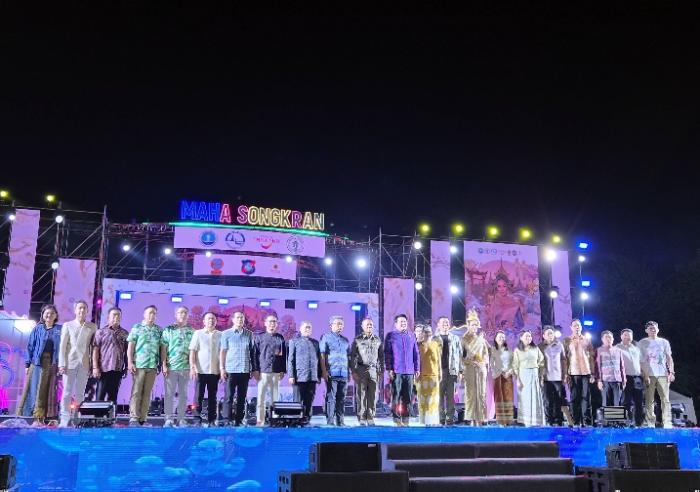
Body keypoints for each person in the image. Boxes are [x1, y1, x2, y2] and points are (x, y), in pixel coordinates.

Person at [17, 304, 62, 424]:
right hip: (36, 362)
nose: (49, 315)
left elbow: (63, 348)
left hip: (51, 363)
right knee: (32, 388)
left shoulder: (60, 329)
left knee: (46, 390)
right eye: (47, 313)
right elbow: (30, 346)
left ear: (56, 316)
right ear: (43, 315)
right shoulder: (38, 328)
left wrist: (60, 364)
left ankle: (42, 416)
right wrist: (27, 364)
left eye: (52, 313)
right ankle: (28, 416)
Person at [58, 300, 97, 427]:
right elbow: (63, 346)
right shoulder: (68, 325)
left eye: (84, 308)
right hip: (70, 363)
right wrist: (61, 364)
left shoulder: (92, 326)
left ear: (87, 311)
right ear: (75, 310)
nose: (82, 310)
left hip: (84, 363)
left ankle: (77, 419)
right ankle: (64, 419)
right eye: (80, 308)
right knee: (66, 392)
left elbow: (93, 347)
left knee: (80, 393)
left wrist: (92, 365)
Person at [127, 305, 162, 426]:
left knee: (147, 393)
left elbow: (161, 348)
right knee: (136, 391)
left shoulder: (158, 330)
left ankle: (143, 419)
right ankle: (134, 418)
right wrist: (130, 362)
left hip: (152, 366)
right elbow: (130, 347)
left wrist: (160, 364)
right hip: (139, 364)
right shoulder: (137, 327)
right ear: (144, 314)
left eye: (154, 313)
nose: (152, 315)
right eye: (150, 313)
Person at [161, 306, 195, 427]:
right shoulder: (168, 329)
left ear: (188, 315)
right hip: (171, 367)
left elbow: (194, 351)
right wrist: (164, 365)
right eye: (180, 312)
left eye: (185, 312)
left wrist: (192, 367)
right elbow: (163, 348)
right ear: (175, 315)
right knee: (169, 394)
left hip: (186, 367)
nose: (183, 314)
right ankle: (168, 419)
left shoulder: (192, 331)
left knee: (183, 395)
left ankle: (181, 419)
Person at [220, 311, 254, 426]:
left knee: (242, 397)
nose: (240, 320)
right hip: (230, 370)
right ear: (233, 320)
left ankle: (239, 420)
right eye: (238, 317)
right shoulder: (226, 334)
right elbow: (223, 352)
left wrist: (252, 368)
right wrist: (222, 368)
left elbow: (252, 352)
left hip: (244, 370)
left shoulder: (249, 334)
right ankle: (226, 420)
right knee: (228, 396)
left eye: (242, 318)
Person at [384, 314, 420, 426]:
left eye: (405, 321)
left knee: (408, 397)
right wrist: (389, 368)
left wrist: (417, 368)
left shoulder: (411, 336)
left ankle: (406, 419)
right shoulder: (391, 336)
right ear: (396, 324)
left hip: (409, 371)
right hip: (397, 371)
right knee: (396, 396)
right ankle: (396, 419)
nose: (403, 323)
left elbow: (416, 353)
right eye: (401, 322)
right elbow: (388, 353)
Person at [638, 321, 675, 428]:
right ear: (646, 330)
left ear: (658, 329)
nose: (653, 329)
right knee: (649, 399)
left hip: (663, 374)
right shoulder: (642, 343)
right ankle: (650, 422)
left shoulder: (664, 342)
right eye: (650, 328)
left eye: (654, 328)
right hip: (649, 374)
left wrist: (671, 372)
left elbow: (669, 358)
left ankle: (667, 422)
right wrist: (645, 375)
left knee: (665, 399)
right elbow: (641, 361)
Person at [251, 314, 286, 426]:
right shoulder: (259, 337)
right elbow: (254, 355)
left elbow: (283, 356)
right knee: (261, 398)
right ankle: (260, 420)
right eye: (270, 321)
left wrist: (283, 370)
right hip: (263, 372)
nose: (272, 324)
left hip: (276, 372)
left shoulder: (280, 338)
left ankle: (274, 420)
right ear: (265, 323)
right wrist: (255, 370)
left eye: (274, 321)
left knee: (275, 399)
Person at [188, 312, 222, 427]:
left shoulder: (220, 335)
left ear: (216, 321)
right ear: (204, 321)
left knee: (213, 397)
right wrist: (192, 367)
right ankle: (197, 420)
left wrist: (222, 369)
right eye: (208, 319)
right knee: (198, 397)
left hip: (214, 371)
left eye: (213, 319)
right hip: (200, 371)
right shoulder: (198, 333)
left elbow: (222, 353)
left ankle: (212, 420)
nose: (211, 321)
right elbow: (192, 351)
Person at [92, 307, 129, 407]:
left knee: (113, 397)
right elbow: (95, 350)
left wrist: (126, 367)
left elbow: (127, 352)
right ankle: (98, 416)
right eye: (114, 315)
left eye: (118, 315)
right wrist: (95, 367)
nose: (116, 317)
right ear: (108, 317)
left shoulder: (125, 333)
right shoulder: (101, 332)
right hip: (103, 369)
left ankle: (111, 416)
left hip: (117, 369)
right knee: (100, 396)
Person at [350, 318, 383, 426]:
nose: (369, 326)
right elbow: (352, 357)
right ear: (362, 326)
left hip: (373, 370)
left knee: (373, 395)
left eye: (371, 325)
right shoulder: (357, 340)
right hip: (361, 370)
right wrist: (353, 371)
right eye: (367, 325)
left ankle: (370, 417)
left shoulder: (377, 339)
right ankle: (362, 417)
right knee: (361, 394)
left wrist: (381, 371)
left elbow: (381, 357)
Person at [287, 321, 321, 425]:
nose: (308, 329)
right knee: (298, 400)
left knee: (309, 399)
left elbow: (319, 360)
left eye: (309, 327)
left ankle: (307, 419)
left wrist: (318, 375)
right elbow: (290, 360)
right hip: (299, 377)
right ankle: (296, 420)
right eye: (306, 327)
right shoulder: (294, 341)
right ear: (300, 329)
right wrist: (291, 375)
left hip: (312, 377)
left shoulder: (315, 343)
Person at [319, 315, 351, 426]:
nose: (340, 326)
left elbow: (348, 357)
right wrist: (324, 371)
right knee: (331, 398)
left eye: (341, 324)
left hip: (344, 374)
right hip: (332, 373)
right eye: (338, 324)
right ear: (331, 325)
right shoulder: (326, 337)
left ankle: (340, 421)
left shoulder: (345, 340)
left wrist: (349, 372)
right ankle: (330, 421)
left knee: (341, 399)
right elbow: (322, 355)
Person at [563, 319, 595, 426]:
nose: (577, 327)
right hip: (573, 372)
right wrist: (565, 374)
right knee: (574, 397)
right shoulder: (567, 340)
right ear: (571, 327)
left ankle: (586, 421)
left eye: (578, 325)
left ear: (581, 327)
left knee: (586, 397)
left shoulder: (587, 340)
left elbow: (591, 357)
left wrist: (592, 373)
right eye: (575, 325)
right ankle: (575, 421)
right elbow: (565, 359)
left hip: (586, 372)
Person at [461, 308, 489, 426]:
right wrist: (469, 362)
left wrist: (483, 363)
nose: (474, 327)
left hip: (481, 369)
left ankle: (481, 417)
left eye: (476, 325)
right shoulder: (464, 339)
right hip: (470, 368)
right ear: (468, 325)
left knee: (481, 393)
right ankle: (471, 418)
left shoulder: (481, 340)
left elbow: (486, 354)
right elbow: (461, 356)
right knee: (471, 394)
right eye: (472, 325)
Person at [511, 329, 545, 427]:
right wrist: (517, 379)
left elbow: (541, 361)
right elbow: (515, 366)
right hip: (523, 375)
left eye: (530, 336)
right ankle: (526, 421)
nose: (528, 338)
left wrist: (540, 374)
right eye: (526, 336)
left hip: (534, 374)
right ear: (521, 338)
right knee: (525, 398)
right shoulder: (517, 350)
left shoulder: (535, 349)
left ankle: (536, 421)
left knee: (535, 397)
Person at [433, 316, 461, 425]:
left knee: (450, 396)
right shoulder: (434, 339)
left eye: (447, 323)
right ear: (438, 325)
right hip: (438, 371)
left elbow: (459, 355)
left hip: (451, 370)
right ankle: (441, 418)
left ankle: (449, 418)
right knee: (439, 396)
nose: (445, 324)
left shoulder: (455, 338)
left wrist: (461, 371)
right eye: (443, 323)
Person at [538, 326, 568, 426]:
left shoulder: (559, 345)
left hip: (558, 377)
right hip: (545, 378)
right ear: (543, 336)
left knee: (559, 400)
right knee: (547, 400)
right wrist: (540, 376)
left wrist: (565, 375)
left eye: (551, 333)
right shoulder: (540, 347)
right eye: (548, 333)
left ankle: (559, 420)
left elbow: (563, 360)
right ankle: (549, 420)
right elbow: (538, 363)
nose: (550, 335)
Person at [617, 328, 645, 427]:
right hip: (625, 378)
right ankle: (625, 422)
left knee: (639, 402)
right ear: (621, 336)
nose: (627, 337)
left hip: (637, 378)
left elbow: (641, 363)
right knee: (626, 401)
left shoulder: (636, 348)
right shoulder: (617, 348)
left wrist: (645, 375)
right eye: (625, 335)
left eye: (629, 335)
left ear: (632, 337)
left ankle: (638, 423)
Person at [416, 324, 441, 426]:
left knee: (433, 400)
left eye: (429, 331)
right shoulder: (418, 345)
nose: (427, 333)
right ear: (422, 333)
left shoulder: (435, 344)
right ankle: (424, 421)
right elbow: (416, 361)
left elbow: (438, 360)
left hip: (434, 375)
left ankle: (433, 421)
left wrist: (440, 372)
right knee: (422, 399)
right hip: (421, 376)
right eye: (425, 332)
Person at [596, 330, 626, 407]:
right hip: (605, 381)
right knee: (606, 403)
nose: (608, 339)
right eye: (606, 337)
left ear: (613, 339)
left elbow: (622, 366)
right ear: (602, 339)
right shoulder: (599, 350)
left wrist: (624, 380)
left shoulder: (618, 350)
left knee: (617, 403)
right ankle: (607, 416)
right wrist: (599, 381)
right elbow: (597, 367)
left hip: (617, 380)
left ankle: (616, 415)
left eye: (610, 337)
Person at [490, 330, 514, 426]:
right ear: (495, 339)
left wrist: (510, 371)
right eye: (499, 337)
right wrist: (496, 372)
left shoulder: (509, 350)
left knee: (508, 397)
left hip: (507, 375)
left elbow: (514, 363)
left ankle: (508, 420)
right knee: (498, 398)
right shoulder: (492, 350)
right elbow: (491, 363)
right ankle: (501, 421)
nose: (501, 338)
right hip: (497, 375)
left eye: (503, 337)